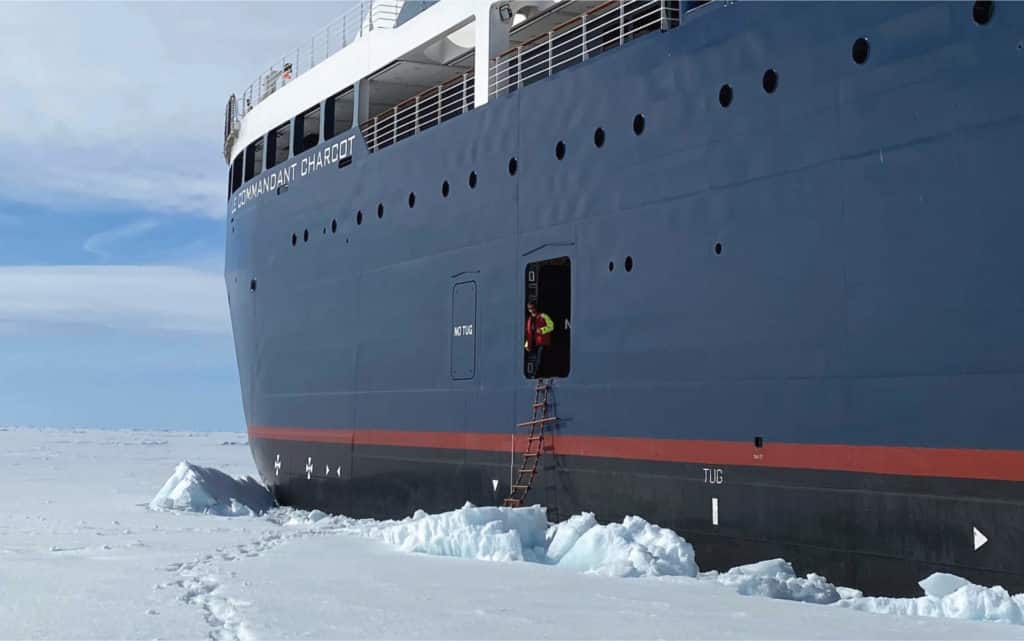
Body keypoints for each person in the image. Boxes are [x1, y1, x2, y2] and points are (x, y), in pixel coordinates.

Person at [524, 301, 554, 378]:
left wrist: (542, 330)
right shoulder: (529, 320)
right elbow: (528, 333)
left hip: (542, 342)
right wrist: (527, 344)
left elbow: (551, 326)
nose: (531, 310)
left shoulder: (543, 316)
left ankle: (537, 374)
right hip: (533, 344)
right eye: (529, 308)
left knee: (540, 360)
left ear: (535, 307)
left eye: (532, 308)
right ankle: (536, 374)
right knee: (534, 360)